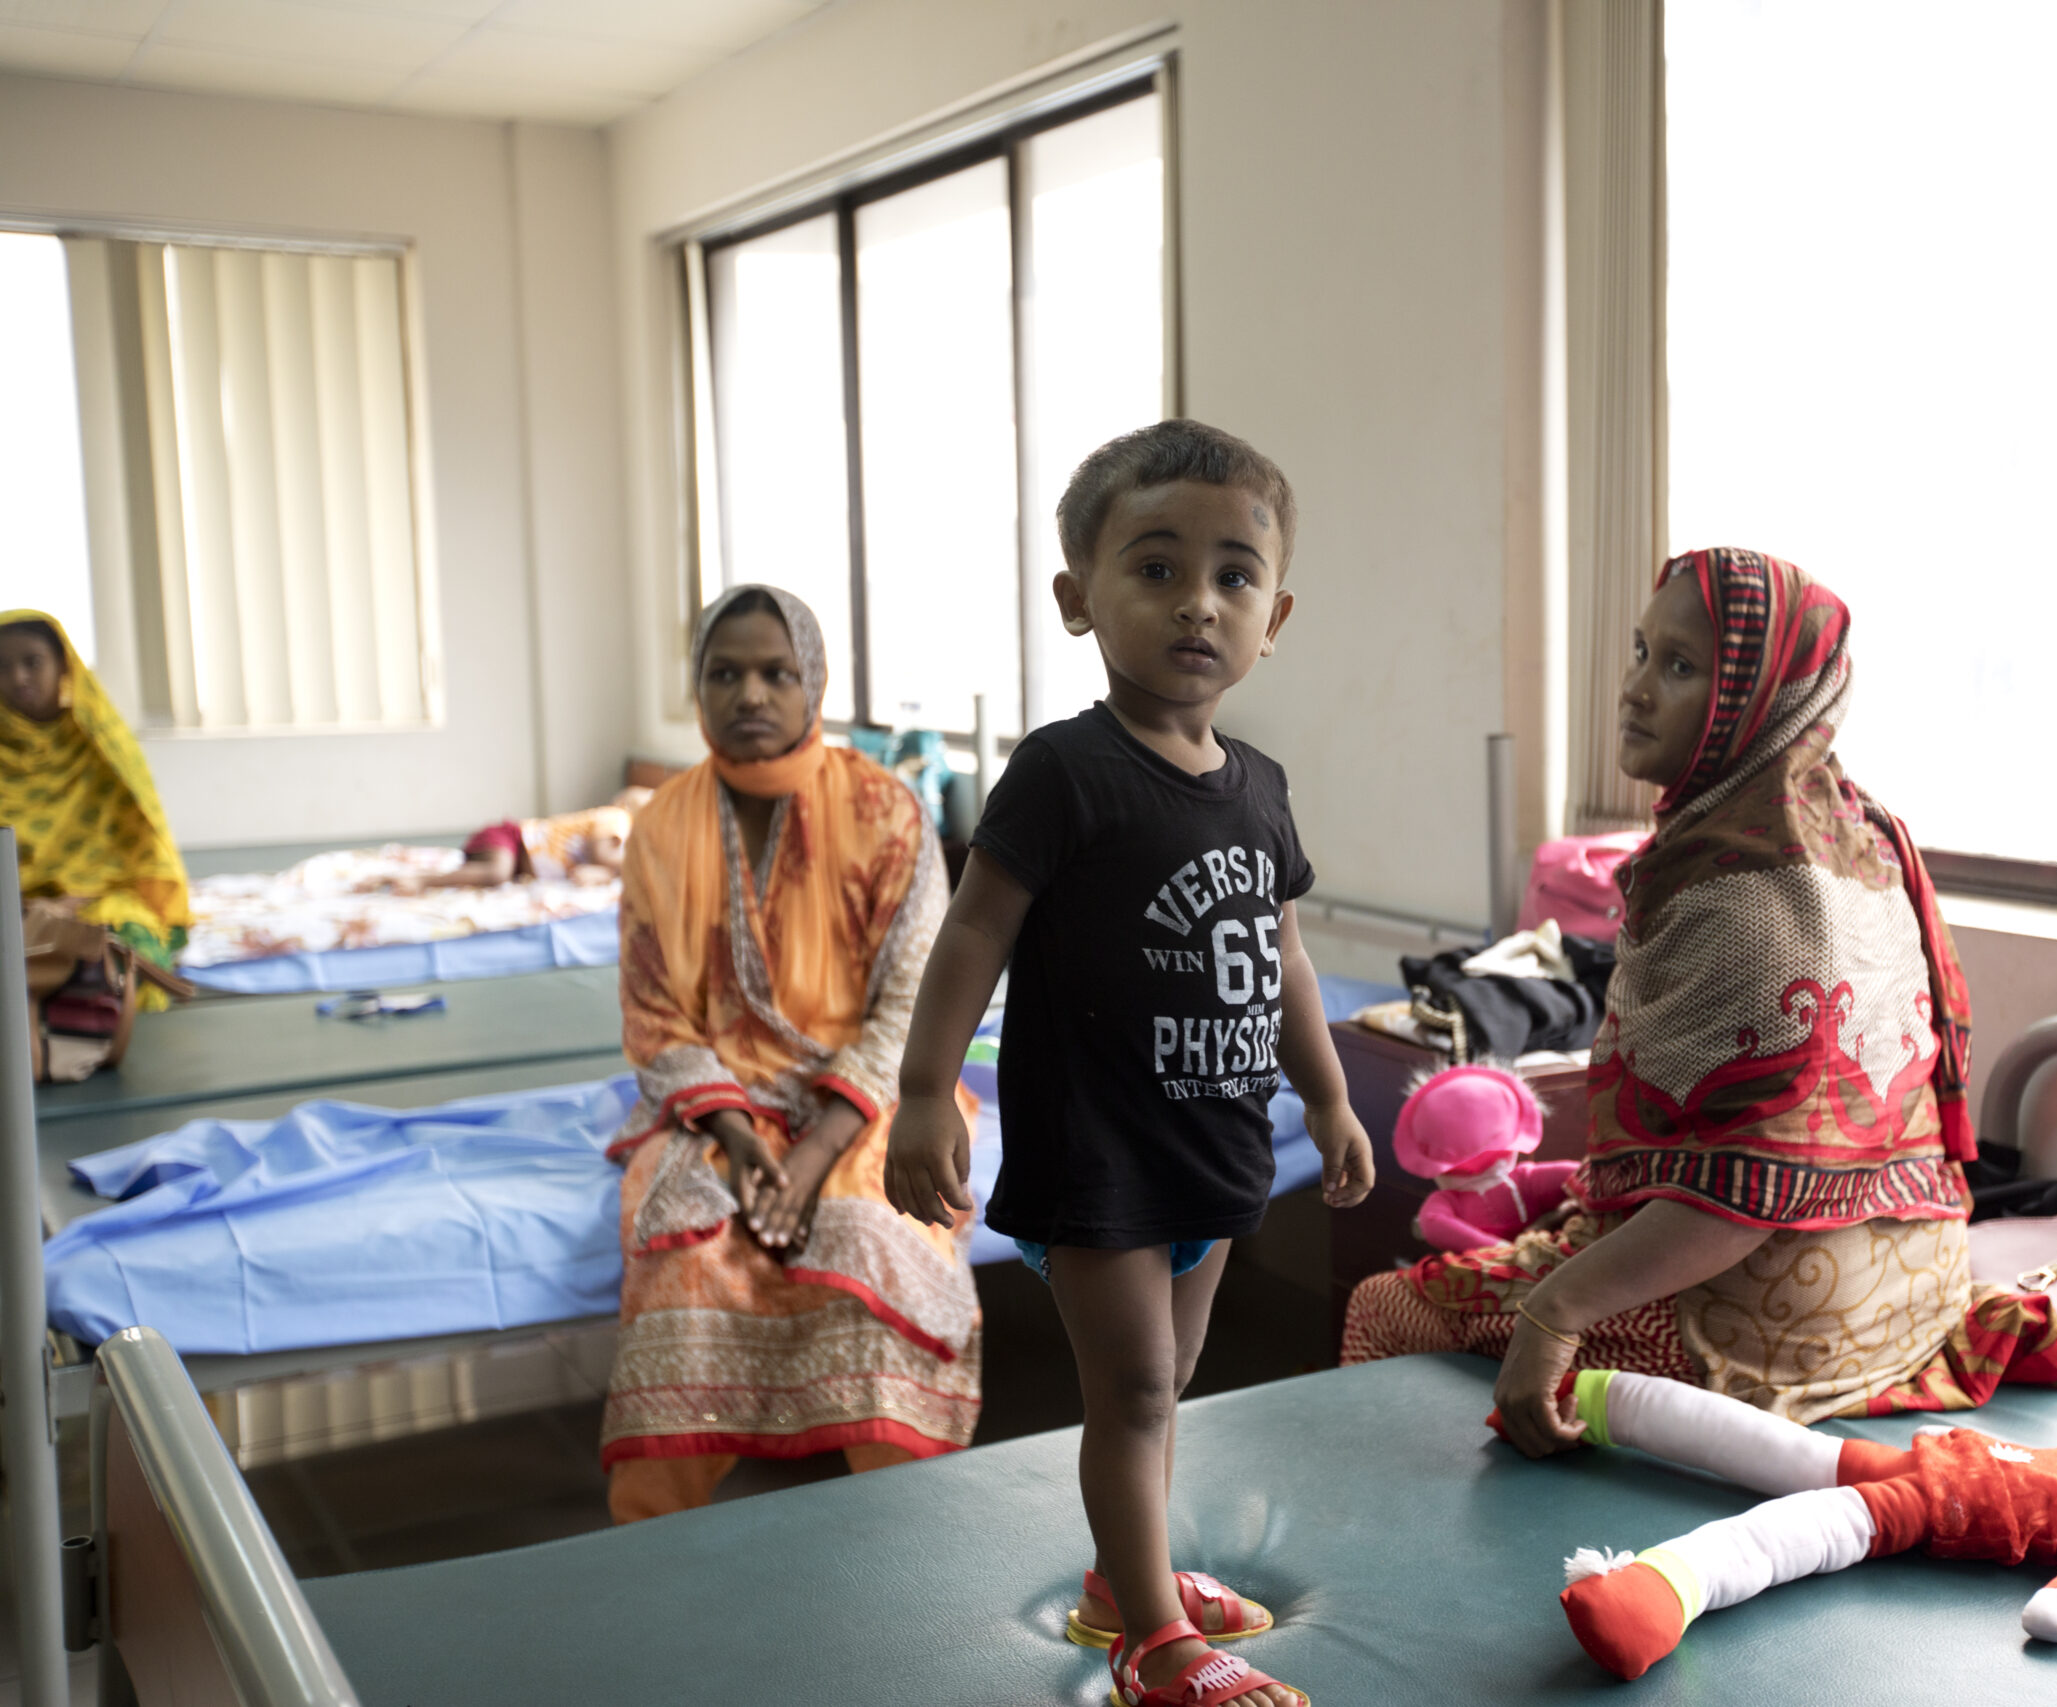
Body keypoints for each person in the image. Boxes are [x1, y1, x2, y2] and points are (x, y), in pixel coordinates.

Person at [1341, 548, 2057, 1450]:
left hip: (1764, 1323)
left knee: (1385, 1307)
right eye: (1643, 652)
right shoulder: (1860, 831)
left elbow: (1746, 1192)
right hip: (1916, 1292)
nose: (1637, 688)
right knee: (1547, 1226)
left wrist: (1553, 1314)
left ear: (1758, 701)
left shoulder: (1746, 890)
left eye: (1682, 667)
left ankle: (1418, 1575)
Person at [886, 421, 1373, 1707]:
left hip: (1211, 1148)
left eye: (1231, 575)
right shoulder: (1062, 772)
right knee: (1138, 1387)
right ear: (1076, 599)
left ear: (1274, 615)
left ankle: (1121, 1581)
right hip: (1097, 1146)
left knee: (1176, 1386)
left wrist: (1324, 1097)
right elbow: (975, 929)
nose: (1196, 604)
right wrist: (927, 1091)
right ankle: (1157, 1642)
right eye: (1154, 570)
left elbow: (1282, 961)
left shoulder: (1259, 787)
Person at [599, 585, 981, 1522]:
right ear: (699, 687)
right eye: (725, 674)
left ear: (814, 681)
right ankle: (661, 1556)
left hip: (879, 1098)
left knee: (876, 1236)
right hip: (716, 1105)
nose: (751, 694)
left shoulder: (885, 812)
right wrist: (736, 1140)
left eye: (776, 672)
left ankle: (904, 1541)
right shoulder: (661, 827)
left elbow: (913, 1004)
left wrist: (813, 1158)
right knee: (685, 1245)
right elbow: (655, 1012)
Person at [0, 611, 191, 986]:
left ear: (63, 665)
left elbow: (137, 853)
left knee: (127, 947)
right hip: (13, 909)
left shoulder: (103, 743)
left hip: (95, 900)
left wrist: (65, 905)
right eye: (3, 666)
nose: (18, 677)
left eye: (32, 662)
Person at [392, 787, 653, 893]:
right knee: (496, 873)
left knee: (497, 873)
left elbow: (592, 869)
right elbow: (604, 856)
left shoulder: (621, 838)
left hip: (519, 860)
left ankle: (398, 877)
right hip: (511, 838)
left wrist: (603, 874)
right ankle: (423, 880)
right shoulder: (616, 818)